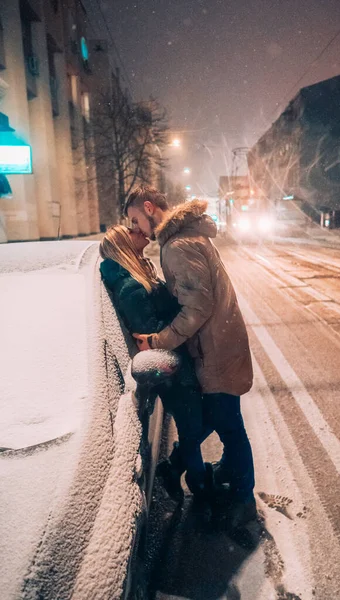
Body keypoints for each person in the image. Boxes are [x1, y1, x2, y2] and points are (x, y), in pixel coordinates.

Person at [125, 185, 256, 527]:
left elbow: (197, 307)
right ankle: (223, 473)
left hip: (215, 348)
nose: (135, 228)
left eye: (135, 219)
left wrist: (157, 341)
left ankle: (243, 499)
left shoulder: (178, 246)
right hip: (219, 343)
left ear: (150, 208)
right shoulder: (184, 239)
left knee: (228, 424)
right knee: (224, 418)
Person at [99, 224, 213, 503]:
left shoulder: (138, 273)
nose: (139, 230)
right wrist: (179, 322)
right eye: (132, 229)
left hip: (177, 361)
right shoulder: (129, 287)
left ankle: (175, 468)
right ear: (124, 243)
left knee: (199, 422)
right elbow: (147, 334)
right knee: (194, 425)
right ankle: (199, 488)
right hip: (169, 369)